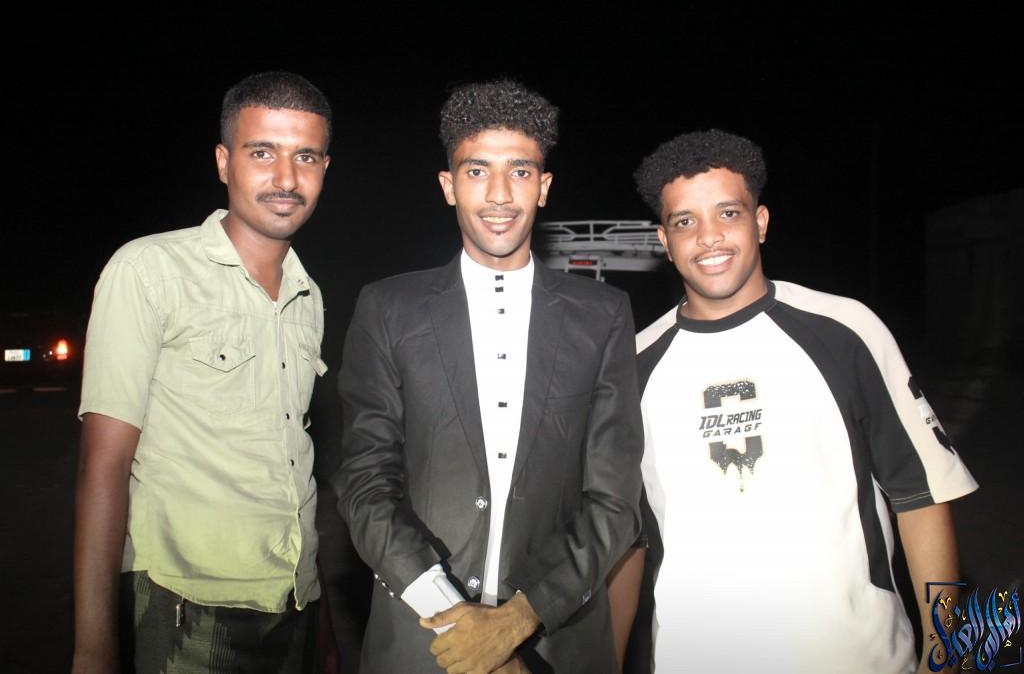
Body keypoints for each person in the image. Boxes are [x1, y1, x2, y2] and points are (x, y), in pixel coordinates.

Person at [620, 128, 979, 672]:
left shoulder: (846, 330)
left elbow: (921, 495)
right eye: (685, 222)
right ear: (664, 241)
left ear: (761, 222)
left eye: (728, 213)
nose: (709, 237)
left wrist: (945, 649)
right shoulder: (632, 366)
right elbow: (629, 538)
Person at [332, 79, 644, 673]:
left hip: (557, 645)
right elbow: (365, 482)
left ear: (543, 186)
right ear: (448, 185)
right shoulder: (388, 308)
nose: (500, 194)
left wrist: (517, 622)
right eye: (477, 171)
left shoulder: (603, 315)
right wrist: (461, 626)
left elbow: (615, 500)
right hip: (422, 640)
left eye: (520, 171)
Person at [72, 71, 339, 673]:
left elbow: (292, 467)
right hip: (183, 610)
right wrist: (93, 648)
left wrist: (321, 631)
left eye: (305, 156)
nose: (286, 178)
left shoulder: (308, 295)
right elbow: (102, 466)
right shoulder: (148, 271)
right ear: (224, 162)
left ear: (324, 168)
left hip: (293, 605)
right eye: (262, 152)